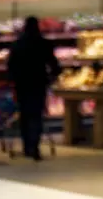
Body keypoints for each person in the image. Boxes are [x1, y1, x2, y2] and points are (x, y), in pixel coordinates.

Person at [6, 16, 61, 161]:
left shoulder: (17, 44)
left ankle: (27, 146)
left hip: (22, 84)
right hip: (39, 83)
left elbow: (10, 65)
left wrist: (12, 82)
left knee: (24, 115)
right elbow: (54, 64)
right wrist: (53, 77)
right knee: (37, 115)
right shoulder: (44, 44)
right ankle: (35, 146)